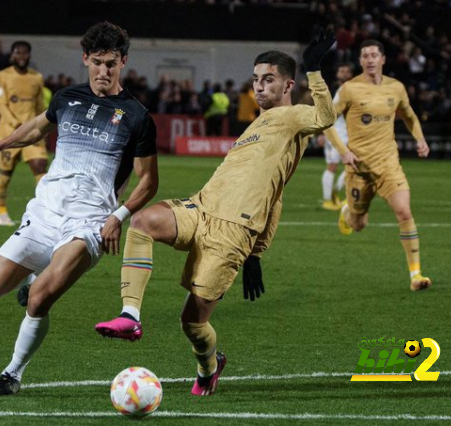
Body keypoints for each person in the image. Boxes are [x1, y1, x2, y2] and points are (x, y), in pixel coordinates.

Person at [95, 30, 336, 396]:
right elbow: (275, 194)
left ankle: (209, 366)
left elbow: (325, 116)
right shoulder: (259, 123)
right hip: (201, 208)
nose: (258, 87)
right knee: (142, 222)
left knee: (192, 323)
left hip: (233, 232)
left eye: (267, 80)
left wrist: (314, 69)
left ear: (288, 84)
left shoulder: (293, 118)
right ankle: (130, 316)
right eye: (255, 79)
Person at [0, 21, 158, 396]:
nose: (103, 72)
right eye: (97, 62)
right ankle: (36, 272)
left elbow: (149, 181)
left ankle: (13, 372)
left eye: (112, 64)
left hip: (89, 223)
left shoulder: (137, 117)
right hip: (43, 213)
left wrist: (117, 217)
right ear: (85, 58)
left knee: (40, 298)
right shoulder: (66, 98)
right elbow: (36, 129)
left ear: (123, 62)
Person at [323, 39, 432, 292]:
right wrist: (344, 151)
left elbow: (409, 115)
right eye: (365, 55)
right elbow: (326, 121)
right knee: (358, 224)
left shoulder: (396, 88)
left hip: (388, 164)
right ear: (361, 61)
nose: (370, 59)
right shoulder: (349, 89)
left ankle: (416, 275)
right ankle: (347, 212)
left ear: (383, 59)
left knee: (404, 211)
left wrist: (420, 138)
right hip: (359, 167)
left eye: (374, 55)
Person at [0, 41, 48, 226]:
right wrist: (15, 124)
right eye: (18, 53)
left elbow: (40, 106)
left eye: (25, 53)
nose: (22, 56)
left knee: (40, 167)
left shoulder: (37, 77)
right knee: (5, 176)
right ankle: (1, 211)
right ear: (12, 55)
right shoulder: (3, 76)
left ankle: (43, 213)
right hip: (9, 134)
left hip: (32, 133)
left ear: (29, 55)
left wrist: (45, 127)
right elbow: (1, 104)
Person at [319, 63, 353, 211]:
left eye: (346, 71)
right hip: (337, 133)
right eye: (340, 70)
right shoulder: (339, 90)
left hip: (347, 133)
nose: (343, 73)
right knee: (334, 166)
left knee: (353, 165)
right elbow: (330, 113)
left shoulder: (348, 89)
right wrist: (323, 132)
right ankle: (329, 199)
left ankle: (334, 194)